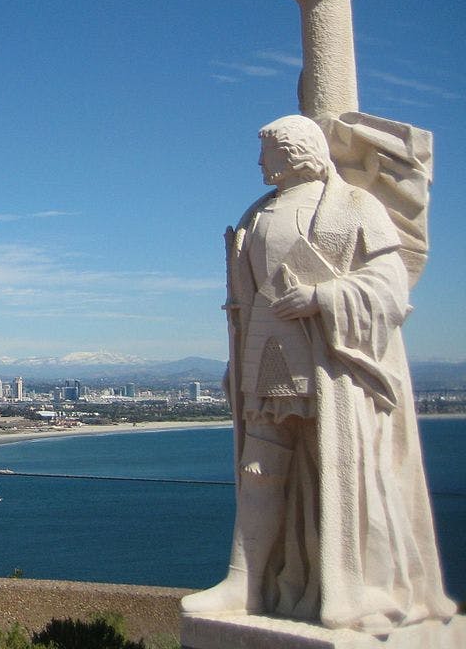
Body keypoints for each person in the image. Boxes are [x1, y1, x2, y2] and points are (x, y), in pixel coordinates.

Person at [181, 115, 454, 633]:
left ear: (297, 151)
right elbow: (244, 301)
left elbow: (390, 284)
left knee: (336, 468)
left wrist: (322, 297)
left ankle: (345, 583)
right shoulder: (257, 214)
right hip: (264, 357)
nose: (260, 162)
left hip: (326, 364)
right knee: (257, 467)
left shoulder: (353, 205)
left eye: (268, 151)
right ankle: (245, 578)